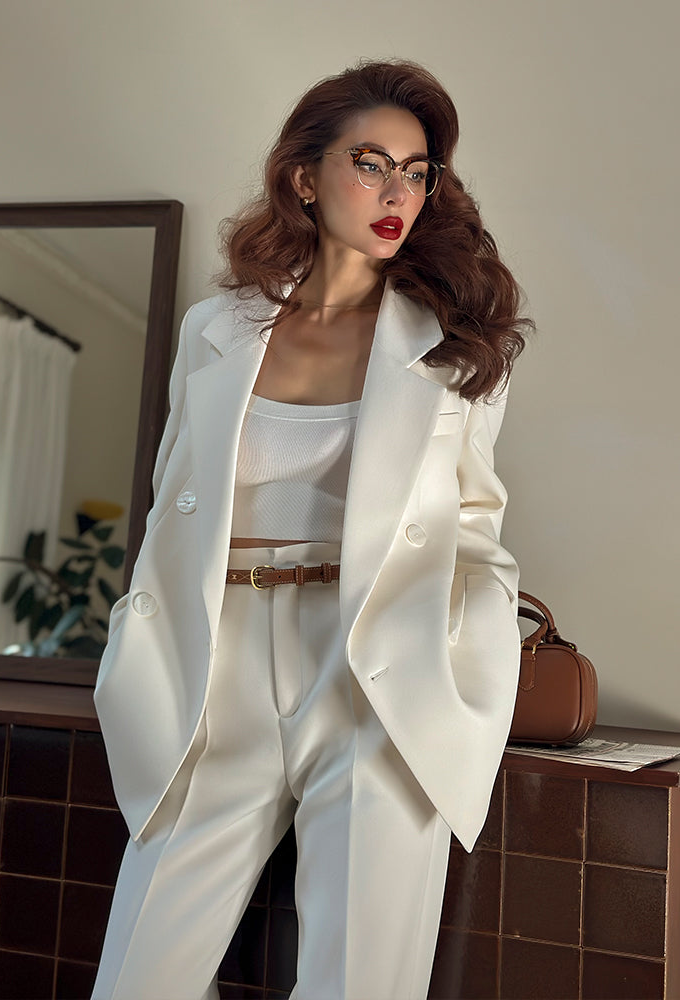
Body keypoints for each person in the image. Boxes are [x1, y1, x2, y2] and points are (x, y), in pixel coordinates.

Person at [92, 58, 531, 1000]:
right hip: (218, 664)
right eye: (371, 163)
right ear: (304, 176)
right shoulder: (216, 330)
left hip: (376, 665)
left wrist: (470, 655)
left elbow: (477, 528)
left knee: (359, 984)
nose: (397, 192)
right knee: (138, 979)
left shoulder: (454, 346)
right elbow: (174, 505)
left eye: (417, 172)